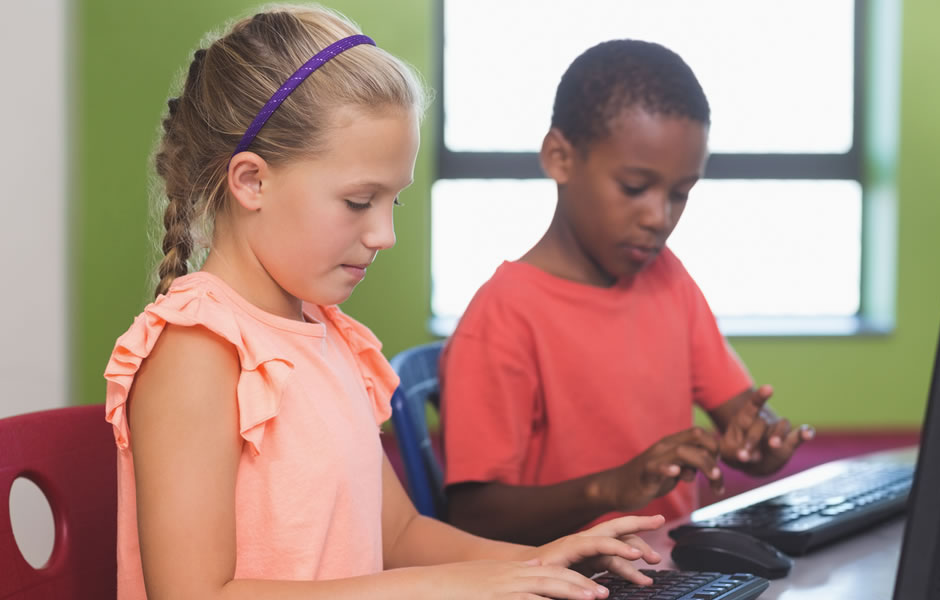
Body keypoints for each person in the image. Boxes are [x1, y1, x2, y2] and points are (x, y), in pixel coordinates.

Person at [103, 7, 663, 599]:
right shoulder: (197, 350)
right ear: (251, 182)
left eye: (391, 202)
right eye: (358, 200)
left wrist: (540, 561)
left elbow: (397, 532)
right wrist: (449, 589)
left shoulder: (331, 334)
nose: (383, 235)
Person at [439, 39, 814, 546]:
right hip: (571, 581)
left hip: (673, 567)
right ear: (560, 158)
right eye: (635, 187)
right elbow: (473, 517)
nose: (659, 218)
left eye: (680, 193)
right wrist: (607, 489)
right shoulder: (503, 317)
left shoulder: (668, 278)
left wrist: (762, 438)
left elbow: (740, 411)